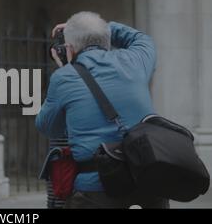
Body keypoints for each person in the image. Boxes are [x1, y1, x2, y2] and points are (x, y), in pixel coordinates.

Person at [35, 11, 168, 209]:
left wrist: (65, 68)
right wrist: (106, 28)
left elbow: (47, 128)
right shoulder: (135, 60)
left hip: (96, 192)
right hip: (148, 184)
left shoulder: (64, 77)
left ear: (68, 49)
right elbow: (142, 38)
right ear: (106, 37)